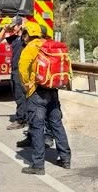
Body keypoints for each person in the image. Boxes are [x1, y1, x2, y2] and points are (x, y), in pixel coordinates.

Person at [17, 22, 71, 175]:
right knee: (56, 124)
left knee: (37, 127)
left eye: (25, 34)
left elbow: (22, 66)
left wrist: (26, 84)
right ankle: (65, 158)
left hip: (37, 92)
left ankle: (38, 165)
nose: (24, 37)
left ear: (28, 34)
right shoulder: (49, 44)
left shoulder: (31, 47)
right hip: (52, 89)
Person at [0, 16, 26, 130]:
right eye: (12, 26)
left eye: (15, 26)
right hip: (14, 70)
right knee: (17, 94)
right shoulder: (13, 38)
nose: (13, 28)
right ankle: (24, 117)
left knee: (20, 95)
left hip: (21, 70)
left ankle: (20, 120)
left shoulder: (25, 38)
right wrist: (4, 29)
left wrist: (23, 27)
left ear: (20, 26)